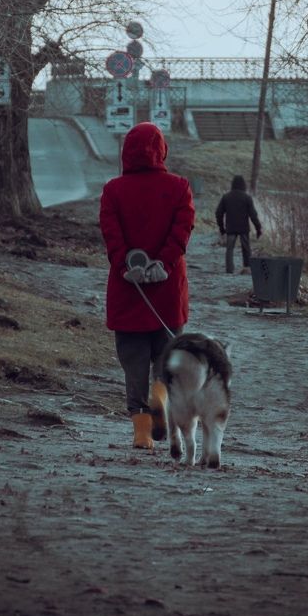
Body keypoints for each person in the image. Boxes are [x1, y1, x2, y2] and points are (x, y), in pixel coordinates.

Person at [99, 122, 195, 450]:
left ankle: (141, 432)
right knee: (166, 355)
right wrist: (163, 264)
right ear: (162, 149)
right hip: (167, 291)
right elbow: (183, 231)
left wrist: (128, 264)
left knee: (133, 359)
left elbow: (111, 235)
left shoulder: (113, 190)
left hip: (128, 289)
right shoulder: (180, 187)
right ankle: (161, 395)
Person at [215, 175, 262, 274]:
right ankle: (247, 268)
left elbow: (218, 213)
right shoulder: (247, 198)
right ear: (243, 185)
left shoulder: (226, 197)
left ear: (232, 184)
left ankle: (229, 270)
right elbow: (253, 215)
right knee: (246, 248)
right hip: (243, 227)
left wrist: (222, 228)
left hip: (231, 227)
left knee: (229, 249)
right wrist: (258, 228)